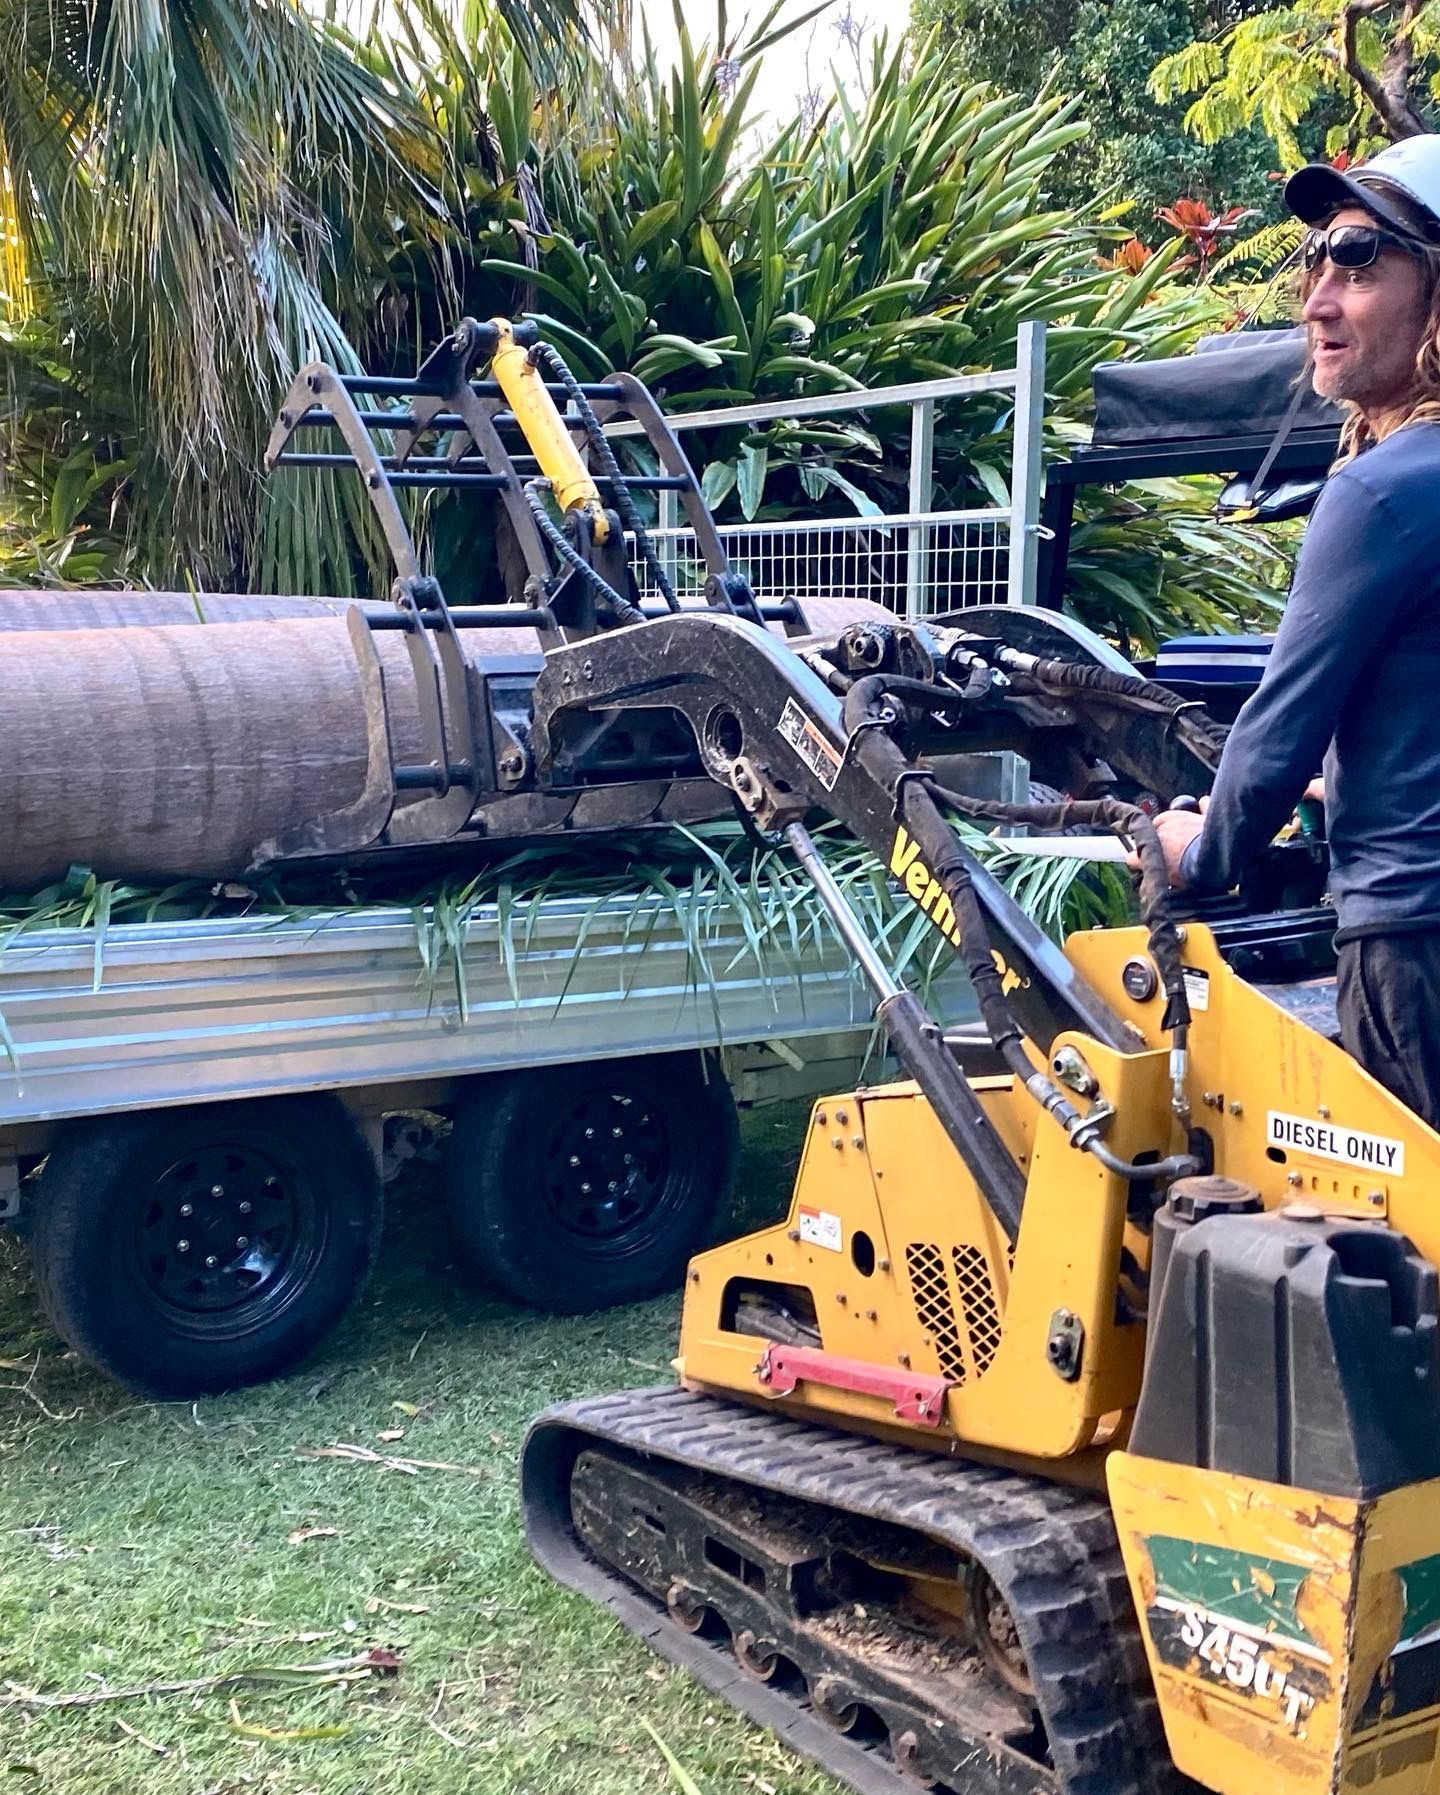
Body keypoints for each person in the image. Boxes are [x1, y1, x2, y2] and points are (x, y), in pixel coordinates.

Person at [1146, 136, 1440, 1127]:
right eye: (1315, 258)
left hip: (1412, 943)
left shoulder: (1385, 491)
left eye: (1358, 258)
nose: (1317, 297)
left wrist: (1198, 850)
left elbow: (1277, 732)